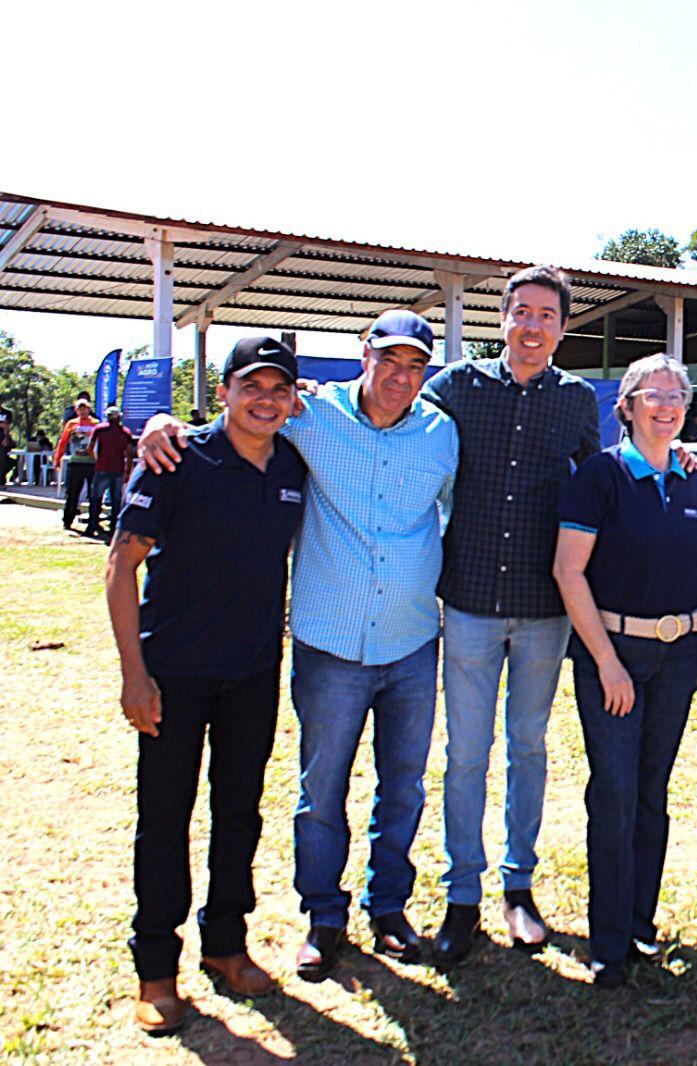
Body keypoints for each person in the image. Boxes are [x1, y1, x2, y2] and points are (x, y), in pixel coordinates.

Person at [138, 310, 458, 980]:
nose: (399, 377)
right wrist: (161, 424)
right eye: (388, 360)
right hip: (329, 642)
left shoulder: (441, 434)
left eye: (414, 366)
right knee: (322, 790)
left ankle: (389, 908)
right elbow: (227, 426)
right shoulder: (311, 416)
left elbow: (456, 511)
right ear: (362, 354)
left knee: (403, 785)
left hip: (409, 640)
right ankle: (324, 916)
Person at [106, 337, 306, 1033]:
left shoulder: (292, 462)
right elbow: (120, 566)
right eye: (252, 386)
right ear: (222, 391)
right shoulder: (177, 458)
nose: (266, 400)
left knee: (240, 812)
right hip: (175, 673)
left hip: (252, 672)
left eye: (280, 389)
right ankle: (156, 969)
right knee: (165, 819)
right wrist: (135, 674)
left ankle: (226, 944)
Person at [421, 266, 600, 969]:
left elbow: (604, 484)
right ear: (503, 319)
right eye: (521, 312)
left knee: (527, 747)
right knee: (465, 755)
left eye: (546, 316)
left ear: (562, 327)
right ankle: (462, 895)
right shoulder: (454, 388)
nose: (532, 327)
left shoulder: (579, 402)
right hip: (466, 601)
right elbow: (386, 416)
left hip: (543, 610)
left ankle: (518, 887)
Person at [551, 354, 697, 989]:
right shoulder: (601, 476)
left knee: (652, 791)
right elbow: (570, 571)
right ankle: (608, 941)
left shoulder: (695, 477)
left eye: (678, 396)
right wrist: (607, 663)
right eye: (655, 395)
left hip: (677, 661)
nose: (668, 406)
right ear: (627, 405)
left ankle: (642, 923)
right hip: (612, 658)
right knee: (613, 793)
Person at [88, 406, 135, 537]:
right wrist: (128, 471)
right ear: (119, 417)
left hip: (102, 468)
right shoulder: (125, 433)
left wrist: (97, 460)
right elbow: (130, 453)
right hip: (118, 469)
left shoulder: (99, 430)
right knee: (116, 500)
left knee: (95, 498)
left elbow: (90, 448)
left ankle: (92, 525)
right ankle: (114, 528)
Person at [55, 398, 99, 530]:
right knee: (72, 492)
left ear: (89, 409)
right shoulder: (71, 424)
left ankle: (94, 520)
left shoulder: (96, 423)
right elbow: (63, 442)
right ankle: (68, 519)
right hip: (75, 462)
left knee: (94, 494)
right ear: (76, 410)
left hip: (92, 463)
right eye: (80, 408)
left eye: (85, 408)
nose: (82, 411)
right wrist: (58, 459)